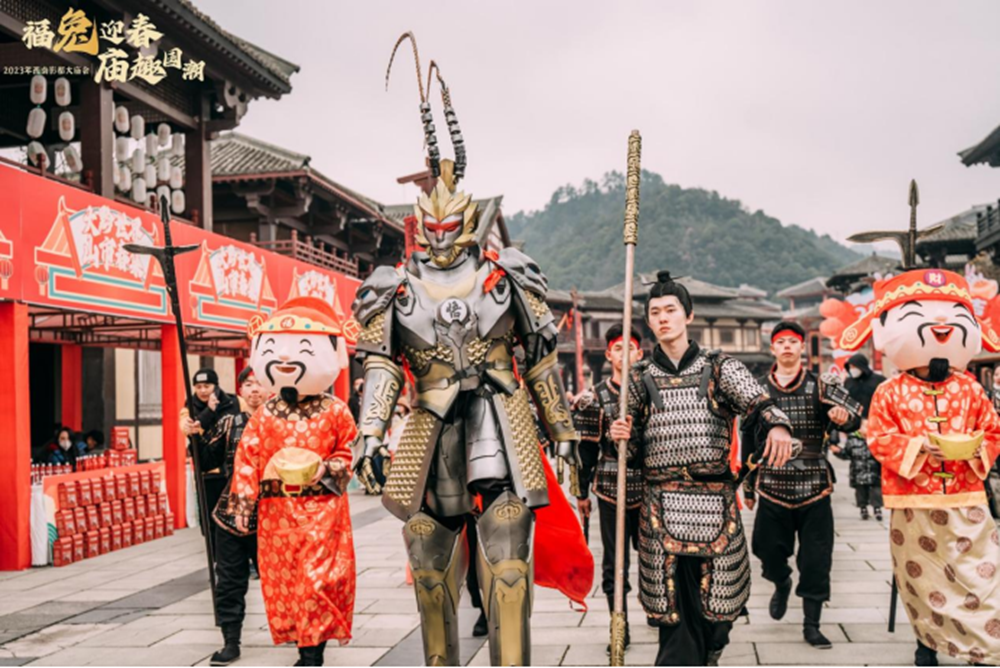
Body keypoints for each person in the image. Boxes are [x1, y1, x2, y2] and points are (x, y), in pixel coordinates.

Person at [352, 39, 590, 664]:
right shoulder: (396, 287)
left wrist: (562, 429)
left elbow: (538, 358)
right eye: (429, 226)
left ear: (467, 219)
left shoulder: (508, 277)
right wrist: (369, 432)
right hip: (428, 418)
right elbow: (380, 361)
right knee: (429, 550)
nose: (439, 234)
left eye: (449, 224)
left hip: (499, 412)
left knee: (508, 544)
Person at [610, 271, 793, 666]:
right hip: (661, 502)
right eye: (654, 311)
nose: (662, 318)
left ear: (688, 315)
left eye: (670, 310)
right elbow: (631, 451)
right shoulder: (638, 377)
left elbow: (758, 403)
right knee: (672, 610)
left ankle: (711, 648)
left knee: (718, 611)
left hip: (715, 501)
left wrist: (777, 424)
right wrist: (621, 434)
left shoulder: (720, 366)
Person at [839, 269, 1000, 667]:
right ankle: (926, 643)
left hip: (968, 498)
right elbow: (878, 438)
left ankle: (982, 645)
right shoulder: (888, 392)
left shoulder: (972, 388)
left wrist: (971, 451)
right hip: (912, 500)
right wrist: (921, 448)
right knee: (920, 577)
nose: (942, 326)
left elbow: (993, 432)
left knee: (981, 575)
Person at [227, 297, 358, 666]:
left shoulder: (336, 411)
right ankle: (303, 639)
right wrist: (242, 505)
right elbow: (248, 458)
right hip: (277, 511)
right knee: (284, 579)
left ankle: (312, 650)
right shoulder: (266, 412)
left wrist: (328, 468)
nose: (285, 360)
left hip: (322, 509)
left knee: (317, 579)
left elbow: (349, 451)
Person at [741, 321, 861, 649]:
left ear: (801, 347)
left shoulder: (821, 384)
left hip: (814, 485)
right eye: (781, 342)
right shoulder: (758, 389)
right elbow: (748, 437)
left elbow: (855, 416)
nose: (787, 347)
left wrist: (842, 417)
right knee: (766, 550)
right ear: (773, 348)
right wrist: (747, 486)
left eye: (793, 342)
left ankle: (812, 624)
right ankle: (780, 581)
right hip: (772, 483)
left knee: (816, 558)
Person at [572, 322, 644, 654]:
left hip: (649, 487)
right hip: (610, 488)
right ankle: (620, 625)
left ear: (639, 353)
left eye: (630, 347)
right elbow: (584, 451)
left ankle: (661, 614)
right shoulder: (593, 398)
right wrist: (581, 493)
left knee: (655, 560)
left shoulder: (652, 393)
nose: (624, 353)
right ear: (609, 354)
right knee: (615, 565)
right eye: (618, 348)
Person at [201, 367, 266, 666]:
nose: (255, 390)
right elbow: (206, 460)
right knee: (228, 580)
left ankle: (297, 634)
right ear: (240, 391)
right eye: (249, 384)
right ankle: (231, 640)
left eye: (260, 384)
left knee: (279, 578)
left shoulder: (283, 423)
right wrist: (197, 430)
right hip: (230, 512)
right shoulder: (229, 422)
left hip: (271, 514)